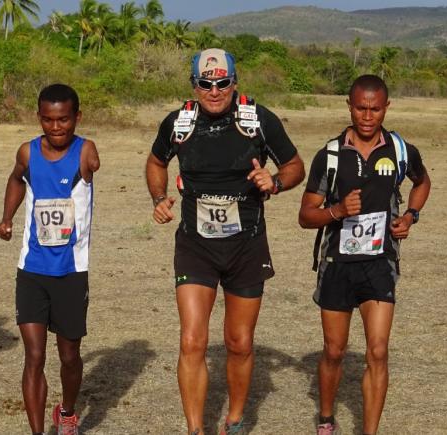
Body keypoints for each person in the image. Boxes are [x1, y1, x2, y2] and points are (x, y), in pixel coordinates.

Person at [145, 48, 305, 435]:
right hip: (195, 245)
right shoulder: (179, 122)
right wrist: (158, 197)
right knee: (191, 340)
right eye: (205, 83)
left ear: (235, 82)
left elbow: (296, 165)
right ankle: (195, 429)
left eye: (222, 83)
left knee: (239, 342)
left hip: (246, 245)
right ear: (193, 85)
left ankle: (234, 420)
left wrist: (277, 182)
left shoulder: (258, 119)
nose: (214, 91)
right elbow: (155, 162)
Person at [298, 74, 431, 435]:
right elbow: (305, 215)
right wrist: (337, 211)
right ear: (349, 106)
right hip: (337, 265)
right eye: (361, 108)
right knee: (335, 351)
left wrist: (410, 216)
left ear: (386, 107)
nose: (368, 116)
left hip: (380, 263)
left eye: (375, 108)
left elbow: (422, 182)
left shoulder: (402, 151)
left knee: (377, 351)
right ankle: (326, 419)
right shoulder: (329, 155)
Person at [0, 84, 100, 435]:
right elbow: (15, 179)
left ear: (77, 118)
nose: (56, 128)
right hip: (32, 270)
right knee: (35, 356)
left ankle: (67, 413)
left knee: (69, 356)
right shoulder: (27, 152)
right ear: (39, 118)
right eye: (48, 120)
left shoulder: (86, 152)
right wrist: (7, 216)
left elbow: (90, 168)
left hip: (71, 272)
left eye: (64, 120)